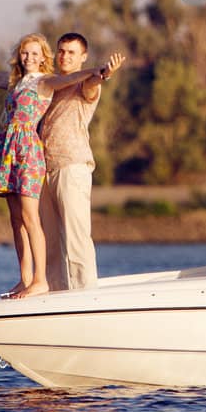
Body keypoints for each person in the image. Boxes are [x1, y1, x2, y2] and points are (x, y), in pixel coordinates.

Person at [0, 34, 116, 299]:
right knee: (18, 219)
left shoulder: (46, 81)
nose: (28, 58)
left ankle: (63, 287)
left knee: (38, 222)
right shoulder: (17, 82)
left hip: (33, 151)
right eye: (24, 53)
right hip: (11, 152)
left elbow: (72, 79)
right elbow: (1, 80)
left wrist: (100, 71)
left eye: (34, 54)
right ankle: (30, 280)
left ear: (43, 57)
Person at [38, 32, 125, 291]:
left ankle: (84, 294)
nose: (65, 56)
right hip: (43, 169)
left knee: (76, 238)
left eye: (71, 52)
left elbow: (94, 82)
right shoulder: (49, 84)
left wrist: (105, 74)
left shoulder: (84, 84)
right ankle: (54, 294)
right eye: (62, 51)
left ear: (83, 57)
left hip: (72, 166)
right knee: (49, 241)